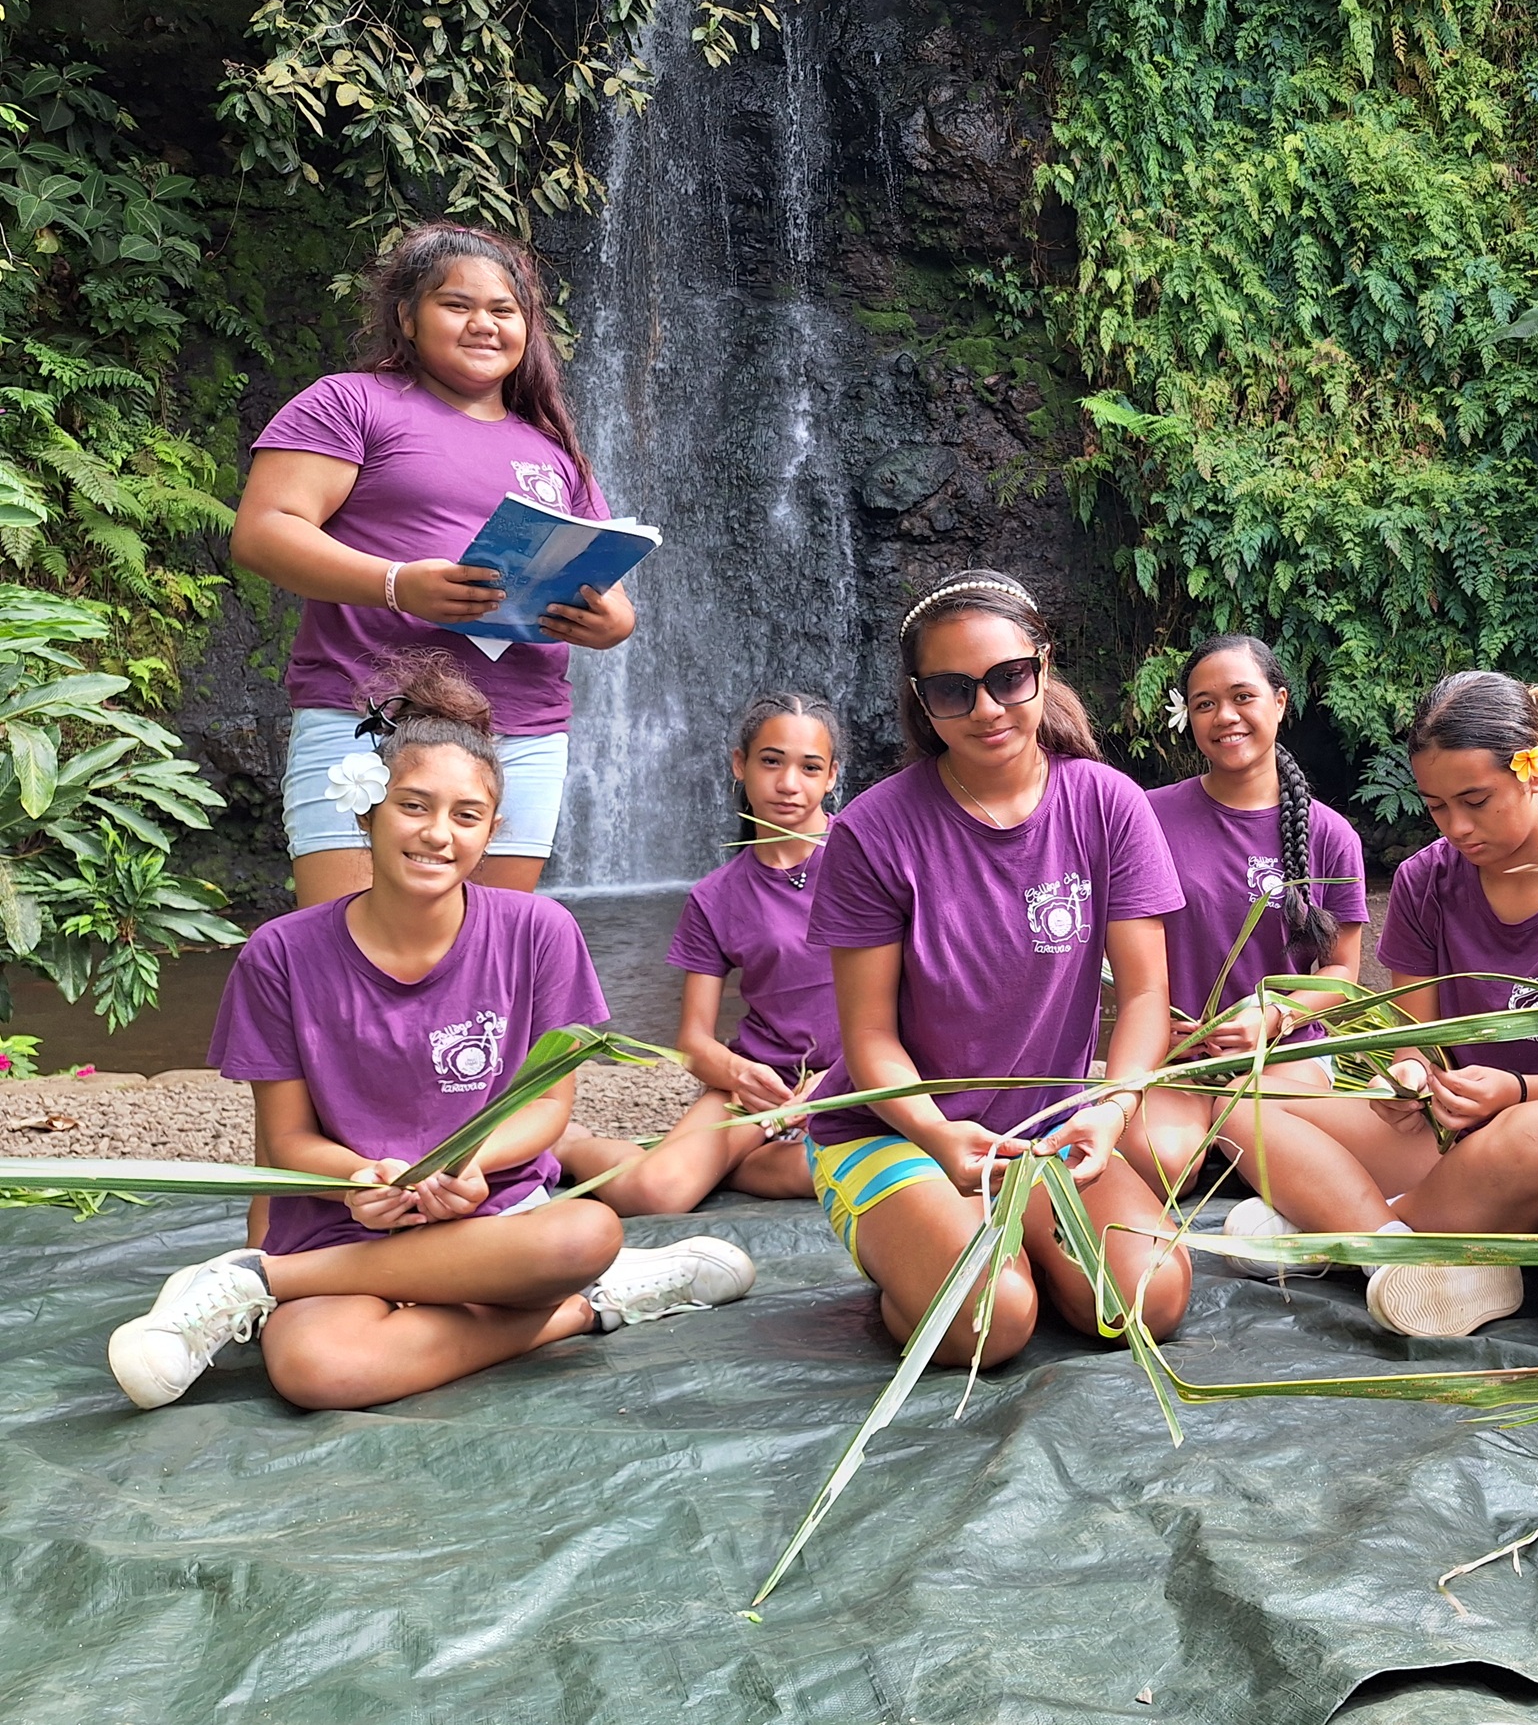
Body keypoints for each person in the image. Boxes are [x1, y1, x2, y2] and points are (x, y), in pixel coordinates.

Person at [105, 656, 753, 1414]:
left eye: (466, 816)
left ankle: (253, 1280)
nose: (438, 834)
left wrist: (472, 1163)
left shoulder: (540, 931)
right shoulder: (280, 954)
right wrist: (360, 1180)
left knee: (585, 1234)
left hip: (493, 1219)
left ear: (492, 830)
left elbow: (548, 1108)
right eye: (413, 806)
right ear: (366, 811)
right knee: (317, 1369)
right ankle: (592, 1306)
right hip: (346, 1221)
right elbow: (286, 1138)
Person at [805, 571, 1193, 1366]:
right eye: (954, 690)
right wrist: (935, 1132)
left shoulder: (1108, 804)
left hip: (1047, 1130)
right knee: (993, 1321)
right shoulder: (872, 831)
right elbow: (869, 1037)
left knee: (1147, 1299)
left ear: (1042, 668)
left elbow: (1146, 994)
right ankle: (933, 1263)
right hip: (898, 1130)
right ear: (922, 702)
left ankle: (1002, 1246)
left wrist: (1114, 1109)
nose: (986, 708)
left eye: (1008, 678)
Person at [1221, 670, 1538, 1340]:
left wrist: (1517, 1091)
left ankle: (1337, 1228)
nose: (1458, 827)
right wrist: (1408, 1077)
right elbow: (1416, 1040)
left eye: (1476, 800)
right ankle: (1394, 1249)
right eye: (1436, 807)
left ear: (1536, 770)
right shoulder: (1425, 879)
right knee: (1243, 1103)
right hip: (1454, 1134)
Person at [232, 221, 636, 910]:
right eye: (457, 304)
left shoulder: (552, 449)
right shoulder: (351, 402)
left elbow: (616, 598)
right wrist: (397, 585)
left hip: (521, 730)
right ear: (407, 318)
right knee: (345, 949)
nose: (484, 324)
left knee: (486, 956)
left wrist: (605, 622)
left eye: (504, 310)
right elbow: (264, 531)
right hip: (371, 711)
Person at [555, 692, 838, 1214]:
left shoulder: (869, 856)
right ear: (740, 765)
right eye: (771, 761)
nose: (788, 783)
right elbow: (693, 1040)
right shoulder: (716, 895)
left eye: (809, 767)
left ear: (832, 777)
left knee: (851, 1167)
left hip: (865, 1076)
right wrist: (741, 1075)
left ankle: (731, 1168)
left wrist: (844, 1076)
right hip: (763, 1086)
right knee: (656, 1193)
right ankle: (571, 1146)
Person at [1121, 634, 1369, 1195]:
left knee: (1255, 1131)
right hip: (1176, 1055)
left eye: (1242, 697)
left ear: (1279, 702)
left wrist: (1272, 1019)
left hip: (1285, 1053)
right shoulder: (1146, 817)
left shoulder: (1330, 835)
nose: (1225, 717)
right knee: (1163, 1165)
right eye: (1204, 703)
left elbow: (1342, 973)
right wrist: (1153, 1025)